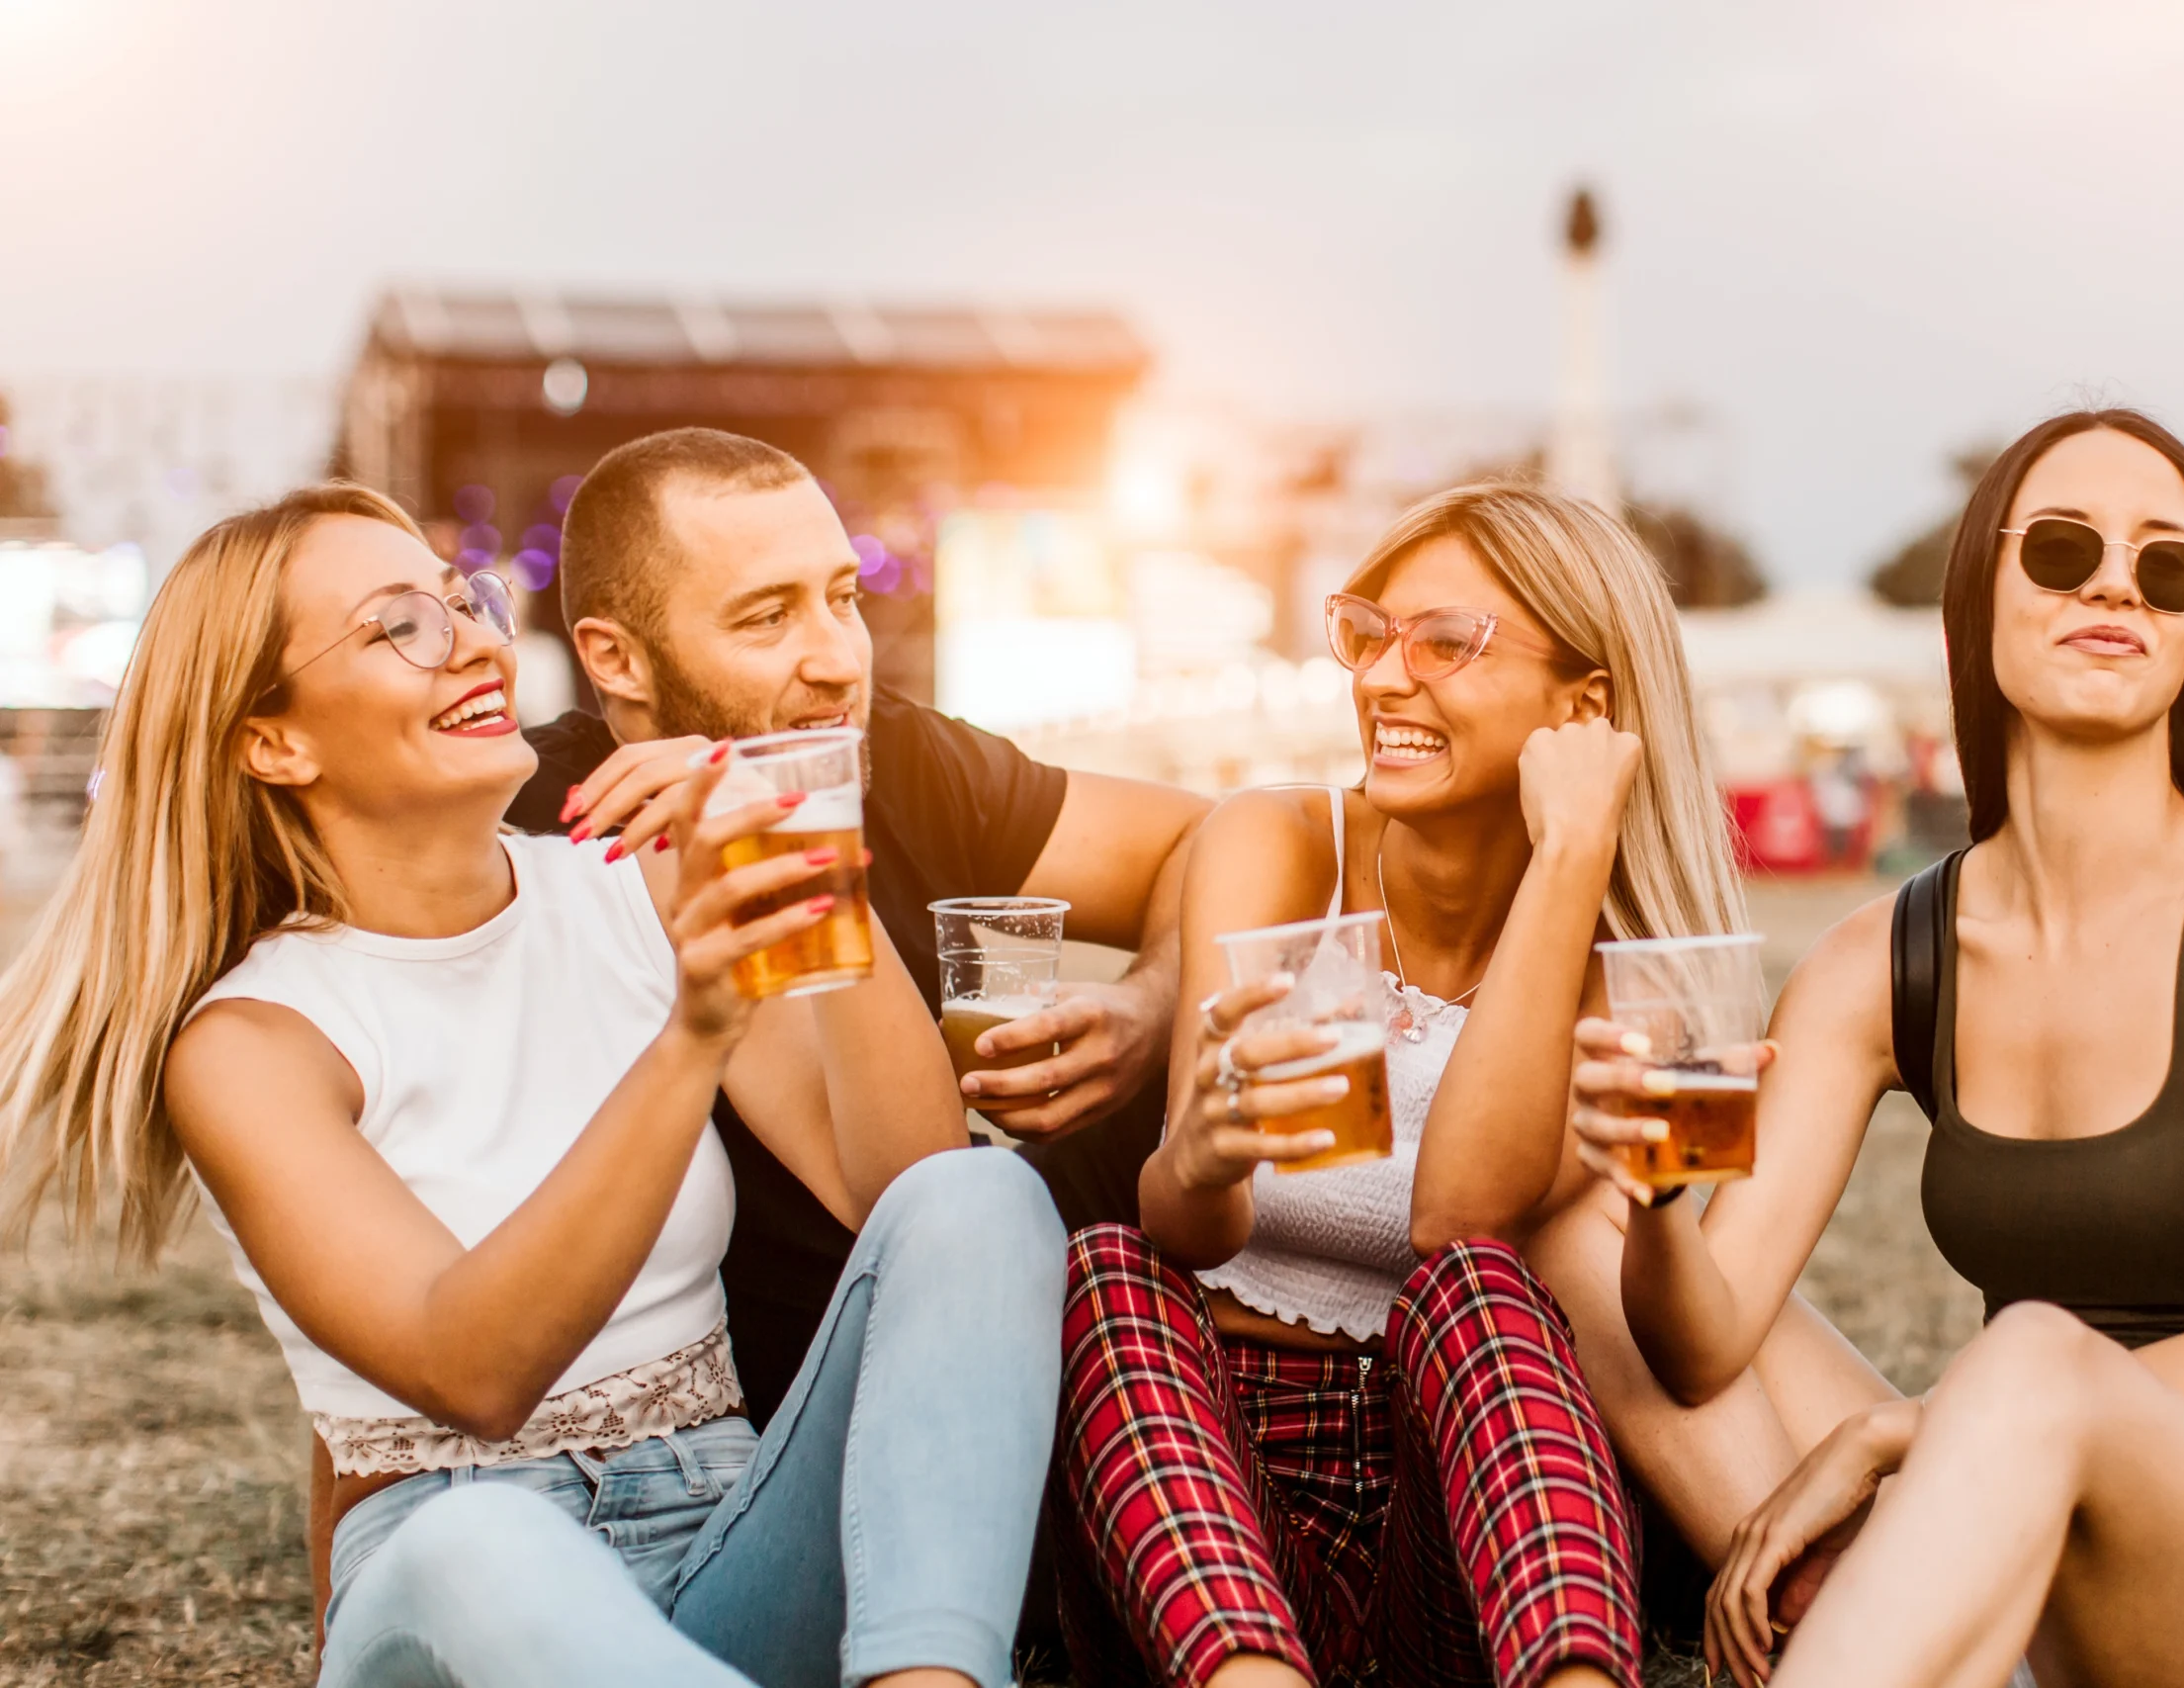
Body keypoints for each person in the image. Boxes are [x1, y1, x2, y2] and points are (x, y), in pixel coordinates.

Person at [0, 485, 1066, 1687]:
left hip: (724, 1545)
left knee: (981, 1199)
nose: (474, 640)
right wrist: (691, 1035)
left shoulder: (635, 885)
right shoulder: (254, 1041)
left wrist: (808, 859)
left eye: (466, 600)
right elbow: (474, 1373)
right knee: (484, 1542)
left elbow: (898, 1188)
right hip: (453, 1594)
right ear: (274, 741)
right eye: (400, 624)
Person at [1571, 410, 2184, 1688]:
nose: (2116, 583)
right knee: (1566, 1223)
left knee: (2027, 1353)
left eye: (2166, 566)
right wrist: (1655, 1202)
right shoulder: (1879, 960)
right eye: (2064, 549)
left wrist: (1903, 1431)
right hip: (2004, 1512)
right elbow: (1699, 1347)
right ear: (1977, 608)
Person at [1055, 483, 1747, 1688]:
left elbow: (1456, 1220)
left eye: (1444, 644)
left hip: (1458, 1507)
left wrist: (1573, 852)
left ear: (1582, 707)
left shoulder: (1621, 966)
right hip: (1219, 1489)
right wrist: (1202, 1156)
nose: (1381, 679)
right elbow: (1187, 1226)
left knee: (1483, 1282)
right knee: (1113, 1267)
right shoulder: (1274, 846)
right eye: (1369, 632)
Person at [509, 427, 1209, 1424]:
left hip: (973, 1339)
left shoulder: (898, 756)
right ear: (616, 658)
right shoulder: (539, 833)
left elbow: (1210, 842)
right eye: (765, 619)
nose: (837, 659)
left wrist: (1145, 1008)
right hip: (752, 1429)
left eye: (842, 599)